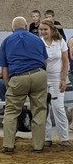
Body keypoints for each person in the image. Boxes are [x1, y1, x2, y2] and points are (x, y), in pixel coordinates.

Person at [0, 16, 48, 153]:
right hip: (39, 74)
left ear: (12, 28)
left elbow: (4, 68)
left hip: (18, 77)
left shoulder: (6, 41)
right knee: (39, 110)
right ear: (26, 26)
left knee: (11, 111)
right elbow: (45, 61)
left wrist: (8, 84)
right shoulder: (37, 39)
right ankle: (38, 146)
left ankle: (8, 145)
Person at [39, 19, 69, 147]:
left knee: (59, 108)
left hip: (57, 78)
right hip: (42, 78)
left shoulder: (60, 41)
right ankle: (47, 138)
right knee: (44, 109)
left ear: (51, 29)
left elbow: (65, 61)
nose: (43, 32)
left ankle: (64, 138)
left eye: (45, 29)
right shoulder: (38, 42)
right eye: (41, 29)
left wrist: (63, 79)